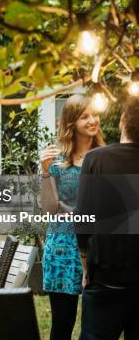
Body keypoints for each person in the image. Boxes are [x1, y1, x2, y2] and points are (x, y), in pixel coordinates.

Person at [39, 94, 105, 340]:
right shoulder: (56, 161)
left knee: (94, 329)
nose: (93, 120)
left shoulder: (105, 157)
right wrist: (45, 172)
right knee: (61, 327)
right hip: (62, 250)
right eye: (84, 116)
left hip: (96, 249)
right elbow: (49, 208)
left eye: (94, 115)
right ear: (71, 123)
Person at [75, 95, 139, 339]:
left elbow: (83, 220)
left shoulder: (96, 159)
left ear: (123, 121)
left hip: (106, 279)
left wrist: (84, 265)